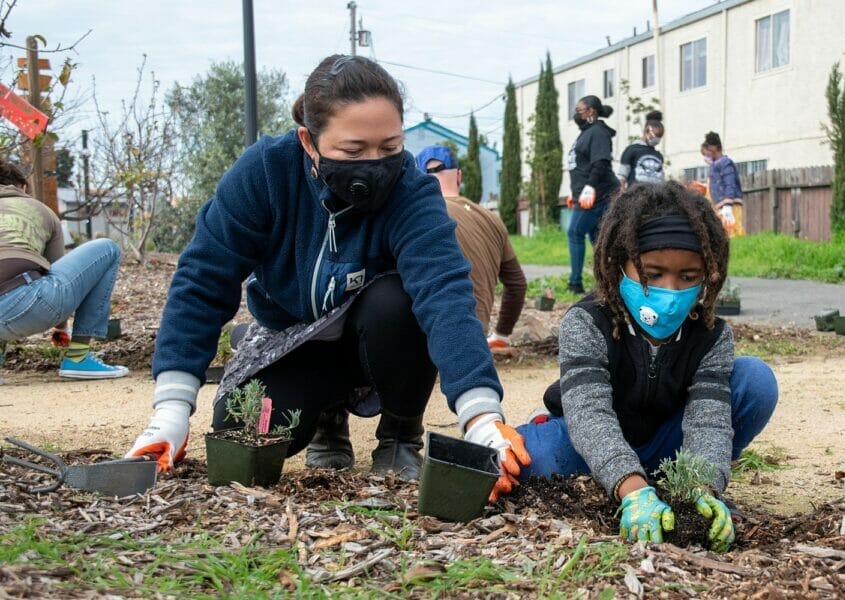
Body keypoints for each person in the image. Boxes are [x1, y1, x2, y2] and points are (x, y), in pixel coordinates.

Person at [124, 55, 529, 501]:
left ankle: (400, 432)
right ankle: (326, 417)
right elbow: (203, 281)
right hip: (299, 339)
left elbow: (445, 295)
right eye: (353, 152)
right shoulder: (265, 174)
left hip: (382, 339)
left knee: (398, 301)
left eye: (390, 148)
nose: (374, 164)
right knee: (242, 429)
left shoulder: (411, 190)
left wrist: (482, 419)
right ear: (309, 142)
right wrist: (171, 411)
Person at [517, 182, 778, 552]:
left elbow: (708, 422)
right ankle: (629, 482)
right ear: (619, 263)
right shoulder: (587, 322)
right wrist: (632, 488)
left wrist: (701, 488)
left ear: (708, 274)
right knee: (530, 460)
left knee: (755, 381)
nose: (670, 290)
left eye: (688, 277)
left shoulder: (710, 336)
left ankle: (663, 483)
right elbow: (589, 414)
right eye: (652, 273)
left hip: (666, 443)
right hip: (591, 438)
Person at [0, 159, 128, 382]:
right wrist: (61, 330)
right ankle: (78, 357)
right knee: (108, 249)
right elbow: (58, 274)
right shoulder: (40, 210)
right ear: (22, 187)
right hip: (28, 306)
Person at [414, 145, 527, 351]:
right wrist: (502, 334)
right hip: (474, 336)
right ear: (459, 176)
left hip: (427, 337)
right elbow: (517, 284)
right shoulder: (492, 219)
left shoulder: (419, 216)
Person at [565, 95, 620, 295]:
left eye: (579, 110)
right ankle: (608, 283)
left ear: (591, 112)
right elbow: (581, 165)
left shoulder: (597, 132)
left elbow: (601, 162)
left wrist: (589, 187)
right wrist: (575, 191)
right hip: (587, 194)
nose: (575, 114)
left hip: (599, 195)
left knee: (575, 232)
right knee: (598, 240)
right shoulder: (586, 133)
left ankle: (575, 283)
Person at [701, 132, 746, 237]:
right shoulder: (714, 166)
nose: (706, 157)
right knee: (723, 231)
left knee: (733, 228)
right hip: (719, 207)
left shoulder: (725, 163)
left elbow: (730, 183)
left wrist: (728, 205)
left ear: (712, 149)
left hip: (729, 206)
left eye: (706, 153)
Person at [617, 111, 665, 188]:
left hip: (655, 196)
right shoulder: (632, 150)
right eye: (656, 135)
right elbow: (622, 176)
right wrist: (621, 193)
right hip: (636, 196)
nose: (657, 139)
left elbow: (661, 178)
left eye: (659, 136)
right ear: (646, 131)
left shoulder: (658, 155)